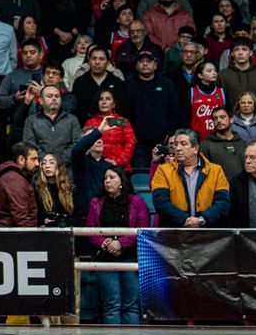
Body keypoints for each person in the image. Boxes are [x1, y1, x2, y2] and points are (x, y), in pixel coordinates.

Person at [84, 168, 148, 324]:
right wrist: (106, 244)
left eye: (112, 177)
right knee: (111, 304)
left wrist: (121, 244)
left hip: (131, 259)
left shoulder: (137, 202)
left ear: (122, 181)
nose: (107, 181)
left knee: (131, 306)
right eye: (105, 178)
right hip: (105, 260)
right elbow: (90, 231)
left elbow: (143, 229)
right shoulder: (96, 203)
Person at [150, 129, 231, 228]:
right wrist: (184, 220)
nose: (178, 148)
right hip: (174, 234)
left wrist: (202, 220)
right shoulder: (163, 170)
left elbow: (223, 202)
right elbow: (160, 202)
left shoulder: (216, 171)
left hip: (209, 234)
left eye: (183, 144)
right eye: (176, 144)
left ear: (196, 149)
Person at [22, 83, 79, 168]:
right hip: (40, 170)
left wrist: (60, 161)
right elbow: (30, 146)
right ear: (41, 100)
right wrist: (47, 162)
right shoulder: (31, 120)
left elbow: (77, 143)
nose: (54, 99)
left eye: (57, 96)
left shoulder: (72, 119)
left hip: (66, 169)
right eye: (49, 96)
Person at [0, 142, 38, 227]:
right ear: (21, 160)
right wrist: (32, 236)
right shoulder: (14, 180)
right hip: (16, 235)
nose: (37, 163)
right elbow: (21, 217)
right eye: (33, 159)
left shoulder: (16, 177)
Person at [200, 108, 248, 181]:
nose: (218, 120)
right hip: (219, 189)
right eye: (215, 118)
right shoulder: (205, 145)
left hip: (243, 189)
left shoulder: (243, 144)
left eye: (222, 117)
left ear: (231, 119)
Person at [34, 153, 75, 228]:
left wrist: (59, 223)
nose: (47, 166)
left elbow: (79, 217)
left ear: (59, 166)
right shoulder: (37, 190)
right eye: (44, 163)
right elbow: (34, 215)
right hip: (45, 234)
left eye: (51, 162)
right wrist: (43, 221)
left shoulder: (71, 189)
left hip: (66, 234)